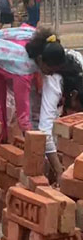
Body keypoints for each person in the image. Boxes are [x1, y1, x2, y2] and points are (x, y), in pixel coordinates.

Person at [0, 27, 65, 142]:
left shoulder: (40, 43)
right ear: (40, 59)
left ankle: (3, 148)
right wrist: (30, 136)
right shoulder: (23, 68)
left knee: (3, 118)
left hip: (2, 66)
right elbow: (22, 107)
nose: (50, 75)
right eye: (50, 70)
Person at [38, 47, 83, 179]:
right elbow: (44, 131)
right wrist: (58, 170)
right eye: (77, 110)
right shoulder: (53, 83)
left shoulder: (79, 71)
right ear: (73, 95)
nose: (76, 115)